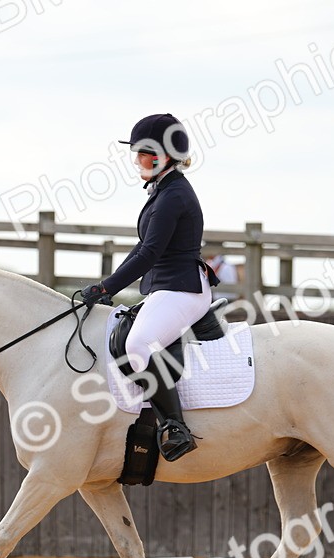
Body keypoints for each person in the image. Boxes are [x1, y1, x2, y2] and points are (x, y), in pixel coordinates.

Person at [81, 113, 218, 462]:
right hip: (169, 288)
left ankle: (175, 427)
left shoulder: (174, 195)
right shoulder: (163, 190)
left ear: (162, 156)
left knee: (137, 343)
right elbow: (143, 246)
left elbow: (150, 252)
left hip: (183, 290)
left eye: (143, 154)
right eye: (137, 154)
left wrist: (107, 287)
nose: (137, 161)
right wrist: (104, 287)